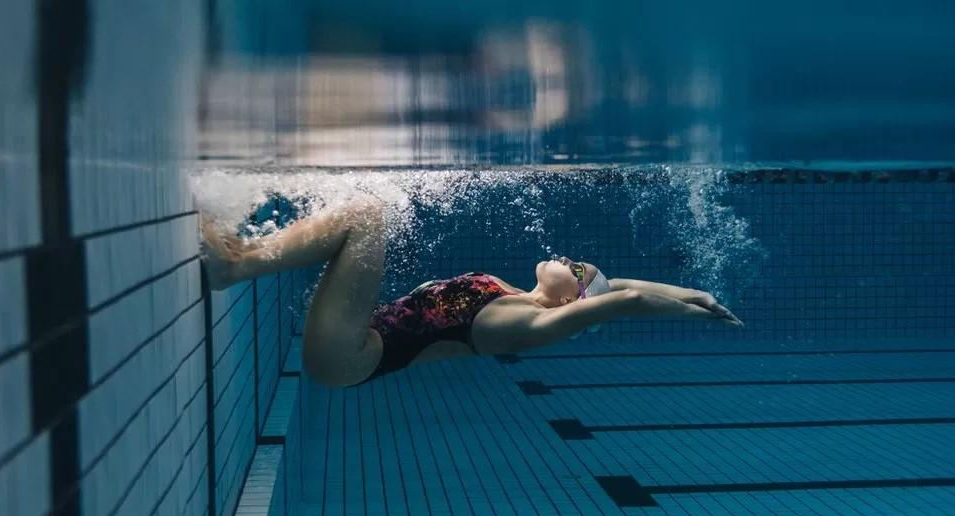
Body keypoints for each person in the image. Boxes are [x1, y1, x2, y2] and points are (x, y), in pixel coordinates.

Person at [201, 194, 742, 387]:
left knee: (366, 214)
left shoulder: (528, 325)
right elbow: (618, 284)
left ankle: (238, 266)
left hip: (349, 357)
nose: (567, 260)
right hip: (354, 340)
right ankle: (244, 254)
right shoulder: (516, 293)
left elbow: (619, 299)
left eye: (575, 269)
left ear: (570, 301)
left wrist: (694, 317)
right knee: (364, 214)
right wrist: (694, 290)